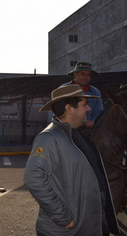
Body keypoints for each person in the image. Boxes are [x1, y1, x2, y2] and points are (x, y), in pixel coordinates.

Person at [23, 84, 120, 236]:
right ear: (69, 109)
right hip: (67, 231)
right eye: (84, 105)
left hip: (88, 228)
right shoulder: (49, 138)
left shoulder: (77, 135)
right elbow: (33, 177)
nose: (88, 109)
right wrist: (63, 217)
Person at [61, 62, 103, 128]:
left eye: (88, 75)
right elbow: (57, 111)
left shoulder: (96, 92)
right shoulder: (63, 90)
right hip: (68, 129)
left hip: (88, 130)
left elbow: (99, 112)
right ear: (75, 74)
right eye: (83, 74)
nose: (86, 77)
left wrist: (93, 121)